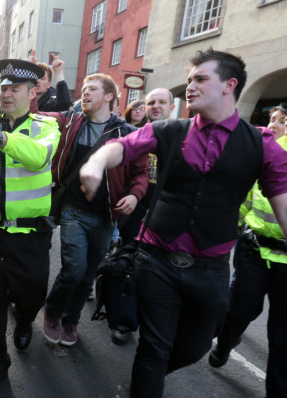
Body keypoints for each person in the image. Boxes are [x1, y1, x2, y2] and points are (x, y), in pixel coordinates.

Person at [78, 49, 287, 398]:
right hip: (155, 260)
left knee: (193, 348)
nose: (190, 87)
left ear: (229, 85)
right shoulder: (168, 130)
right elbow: (122, 146)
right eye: (190, 79)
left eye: (200, 79)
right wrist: (95, 164)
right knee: (153, 349)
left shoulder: (261, 146)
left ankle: (146, 381)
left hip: (209, 270)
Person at [209, 85, 287, 398]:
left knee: (284, 337)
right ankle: (224, 344)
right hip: (255, 251)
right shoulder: (270, 147)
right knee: (237, 313)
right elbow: (246, 197)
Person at [0, 58, 60, 397]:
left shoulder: (46, 126)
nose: (6, 93)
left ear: (33, 93)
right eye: (3, 87)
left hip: (31, 235)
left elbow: (38, 158)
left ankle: (26, 318)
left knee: (31, 294)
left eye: (14, 88)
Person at [41, 73, 148, 346]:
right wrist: (34, 87)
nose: (85, 93)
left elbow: (140, 173)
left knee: (88, 274)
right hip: (73, 210)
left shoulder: (128, 133)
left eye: (92, 89)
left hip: (106, 216)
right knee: (74, 269)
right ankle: (52, 312)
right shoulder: (69, 122)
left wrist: (135, 196)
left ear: (109, 96)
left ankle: (71, 320)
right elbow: (36, 113)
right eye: (84, 89)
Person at [112, 87, 176, 346]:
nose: (156, 106)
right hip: (138, 209)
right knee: (132, 265)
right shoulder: (136, 135)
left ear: (173, 107)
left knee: (162, 272)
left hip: (170, 214)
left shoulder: (185, 137)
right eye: (151, 102)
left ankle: (159, 325)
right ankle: (126, 321)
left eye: (162, 102)